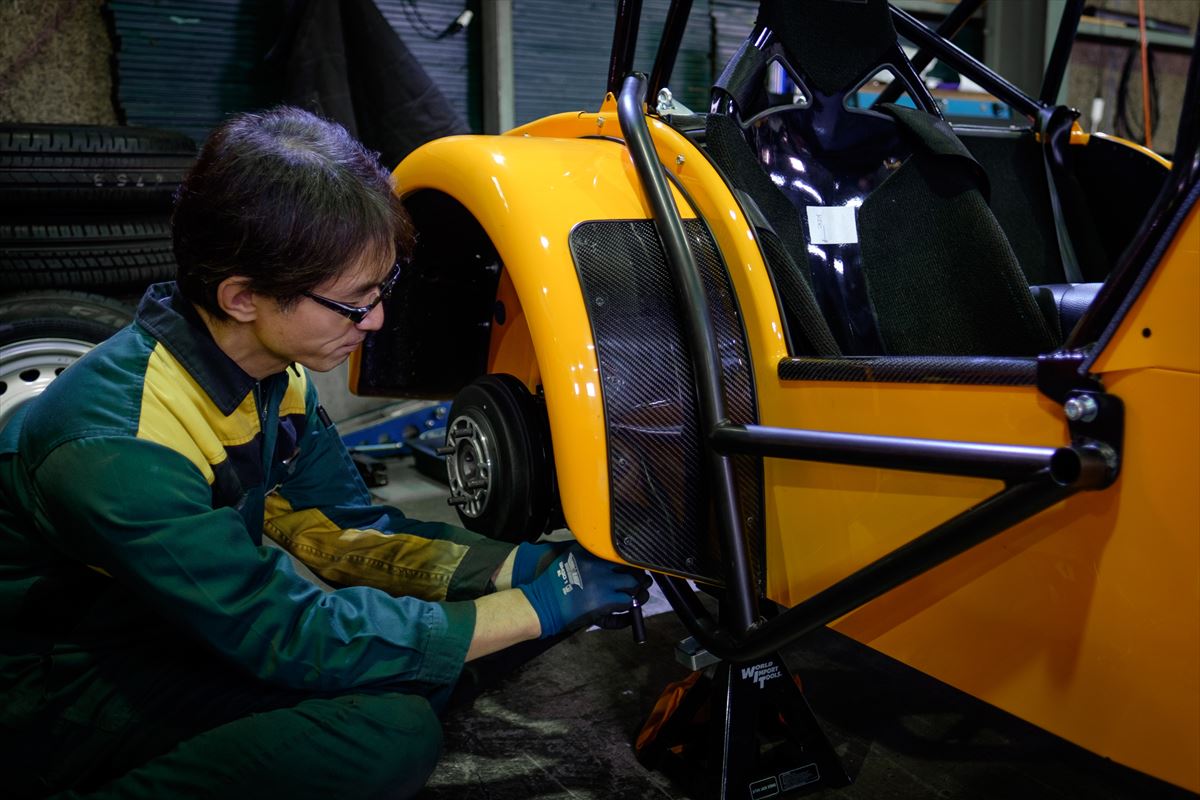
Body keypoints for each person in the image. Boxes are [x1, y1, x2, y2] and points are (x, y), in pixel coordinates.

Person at [0, 106, 650, 799]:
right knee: (389, 733)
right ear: (242, 297)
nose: (376, 320)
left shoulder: (273, 379)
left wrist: (518, 569)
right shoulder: (116, 443)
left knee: (439, 654)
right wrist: (534, 608)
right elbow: (273, 627)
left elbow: (341, 530)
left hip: (171, 627)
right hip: (58, 691)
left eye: (382, 288)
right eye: (354, 301)